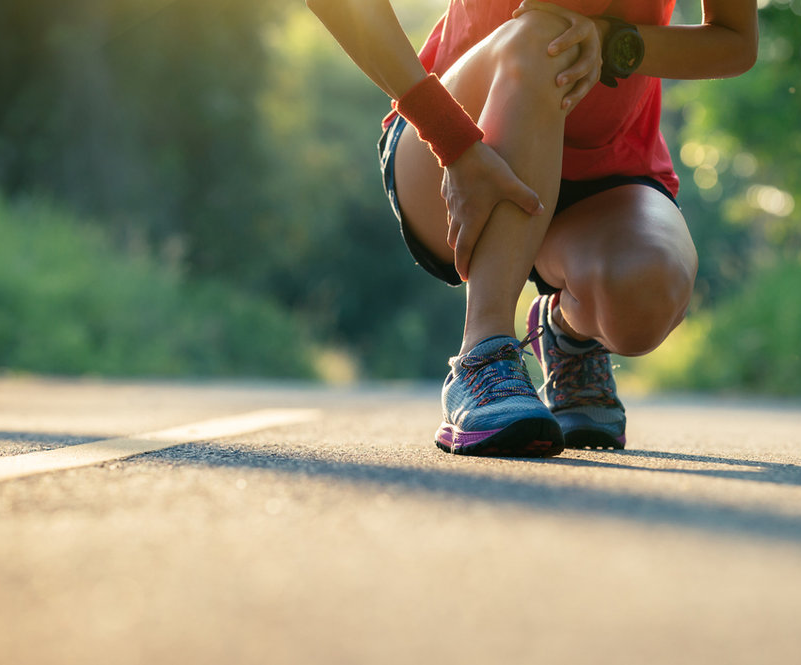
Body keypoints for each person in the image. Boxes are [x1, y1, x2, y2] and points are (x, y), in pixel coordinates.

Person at [305, 0, 757, 457]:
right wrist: (450, 137)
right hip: (456, 142)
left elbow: (735, 42)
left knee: (646, 291)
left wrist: (611, 41)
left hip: (608, 169)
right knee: (547, 36)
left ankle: (568, 337)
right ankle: (483, 355)